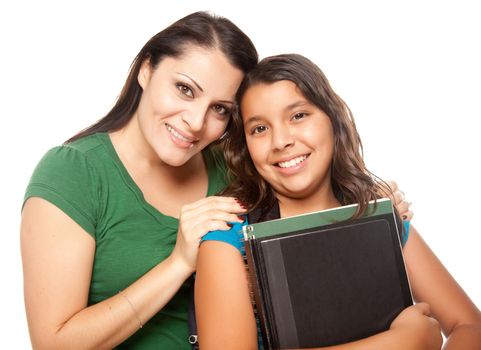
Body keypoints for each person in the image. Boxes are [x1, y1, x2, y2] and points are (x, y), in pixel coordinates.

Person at [20, 12, 411, 349]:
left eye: (219, 109)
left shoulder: (234, 167)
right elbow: (54, 342)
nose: (195, 122)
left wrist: (368, 207)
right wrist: (178, 264)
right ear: (146, 69)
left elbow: (309, 202)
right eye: (184, 89)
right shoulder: (73, 172)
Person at [195, 54, 481, 349]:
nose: (280, 141)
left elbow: (469, 325)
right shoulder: (227, 238)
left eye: (298, 116)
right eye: (259, 129)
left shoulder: (380, 216)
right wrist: (402, 342)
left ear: (333, 120)